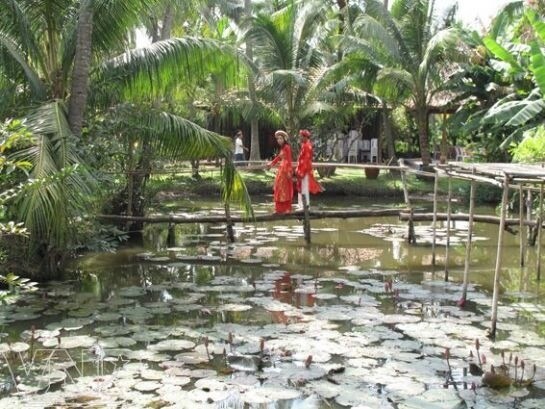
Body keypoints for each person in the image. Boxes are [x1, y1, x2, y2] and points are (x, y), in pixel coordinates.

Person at [295, 129, 323, 210]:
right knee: (301, 187)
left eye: (301, 136)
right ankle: (300, 205)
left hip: (305, 170)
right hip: (301, 169)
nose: (300, 138)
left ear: (305, 137)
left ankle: (305, 205)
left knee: (304, 187)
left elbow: (306, 160)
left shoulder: (307, 146)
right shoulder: (304, 145)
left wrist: (302, 171)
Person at [267, 130, 294, 214]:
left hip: (285, 170)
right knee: (279, 188)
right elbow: (279, 157)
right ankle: (279, 209)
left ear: (284, 139)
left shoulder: (287, 147)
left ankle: (285, 209)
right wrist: (272, 163)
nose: (279, 140)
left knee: (284, 189)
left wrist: (288, 171)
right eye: (278, 139)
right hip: (281, 170)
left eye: (280, 138)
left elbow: (289, 160)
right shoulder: (283, 148)